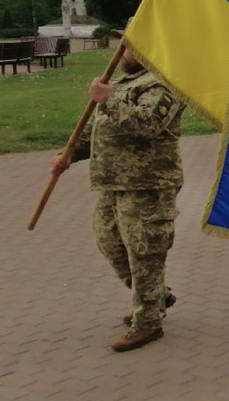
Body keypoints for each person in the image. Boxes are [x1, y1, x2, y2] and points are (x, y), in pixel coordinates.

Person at [50, 44, 185, 352]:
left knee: (144, 252)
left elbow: (148, 124)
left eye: (127, 47)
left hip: (146, 186)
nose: (120, 53)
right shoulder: (124, 84)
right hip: (112, 184)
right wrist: (68, 154)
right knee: (110, 242)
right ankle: (155, 296)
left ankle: (148, 323)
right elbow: (99, 130)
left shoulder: (163, 84)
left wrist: (106, 98)